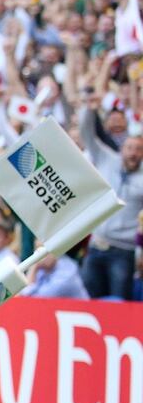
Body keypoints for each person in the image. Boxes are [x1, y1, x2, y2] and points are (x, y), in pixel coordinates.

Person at [78, 100, 143, 300]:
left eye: (138, 149)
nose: (133, 153)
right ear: (122, 148)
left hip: (123, 251)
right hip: (97, 245)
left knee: (119, 304)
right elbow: (86, 134)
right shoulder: (107, 159)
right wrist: (90, 109)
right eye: (130, 148)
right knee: (89, 300)